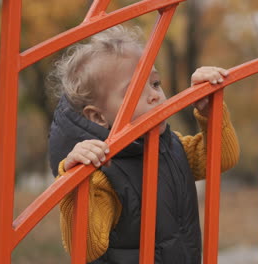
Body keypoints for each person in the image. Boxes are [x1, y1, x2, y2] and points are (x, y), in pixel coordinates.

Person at [48, 25, 240, 264]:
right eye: (137, 89)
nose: (155, 95)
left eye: (156, 83)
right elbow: (87, 246)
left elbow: (221, 157)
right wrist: (78, 185)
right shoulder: (103, 174)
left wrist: (211, 111)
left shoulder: (171, 146)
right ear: (98, 117)